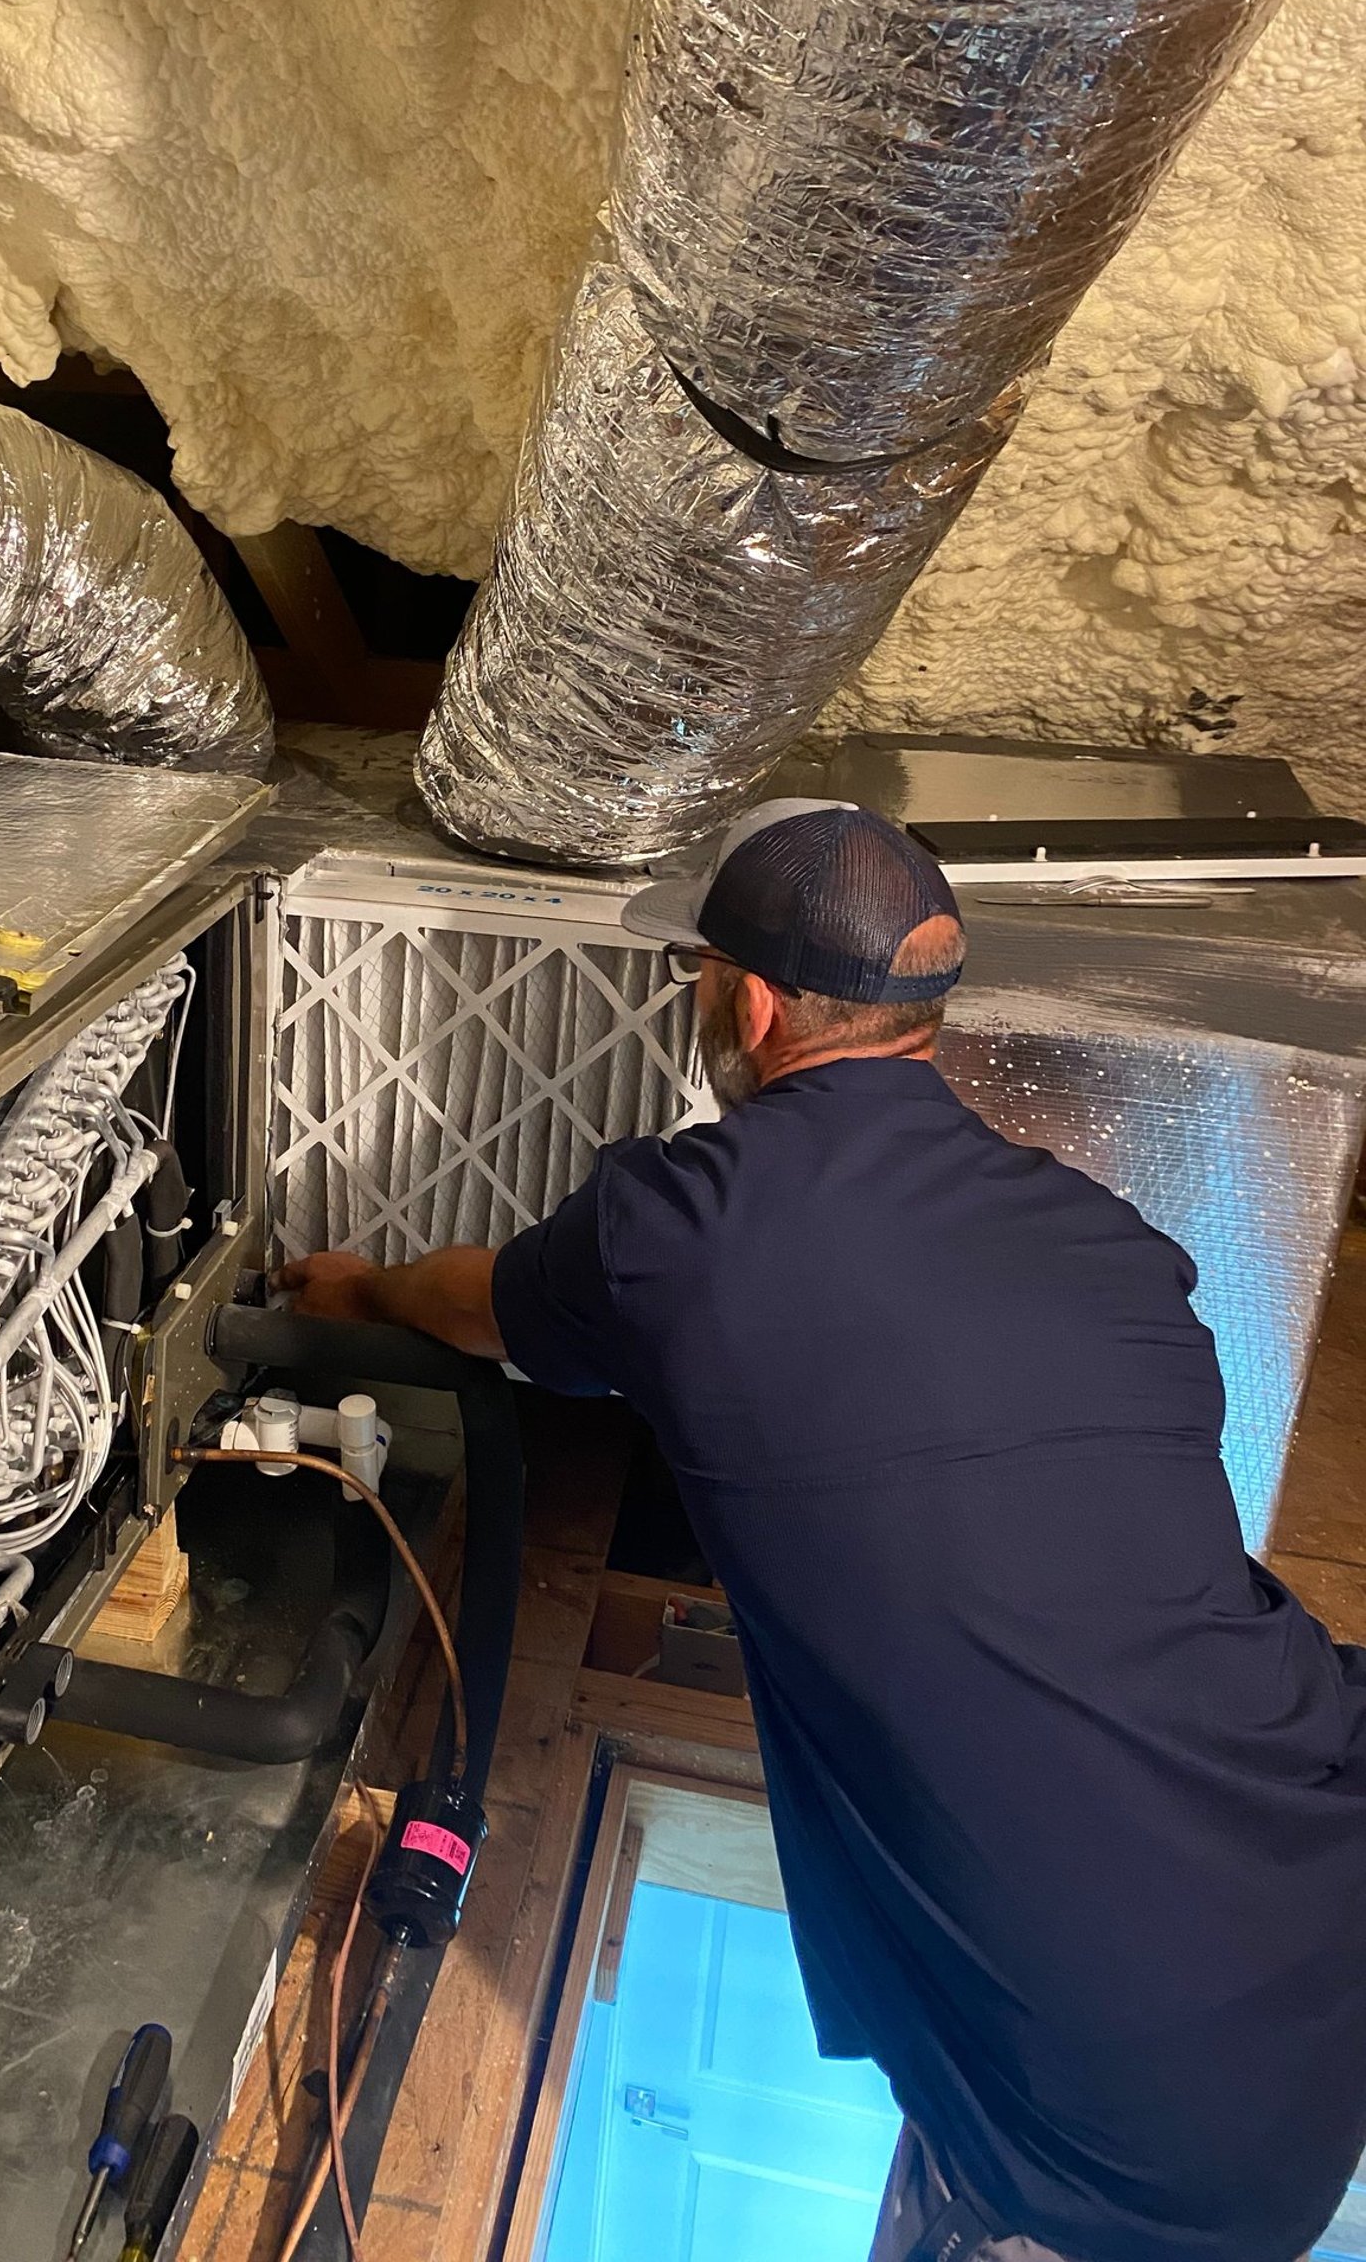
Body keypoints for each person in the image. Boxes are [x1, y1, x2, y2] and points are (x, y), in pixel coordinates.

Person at [279, 798, 1366, 2262]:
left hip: (1106, 2157)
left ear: (757, 1002)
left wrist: (365, 1290)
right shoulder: (1116, 1247)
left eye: (699, 976)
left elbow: (486, 1307)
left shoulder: (682, 1226)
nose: (698, 1001)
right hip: (1306, 1891)